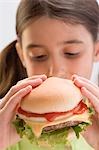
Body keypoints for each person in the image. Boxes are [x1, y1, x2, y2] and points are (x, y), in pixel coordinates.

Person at [0, 0, 99, 149]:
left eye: (71, 53)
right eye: (38, 56)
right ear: (22, 55)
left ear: (96, 51)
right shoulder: (5, 129)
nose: (55, 71)